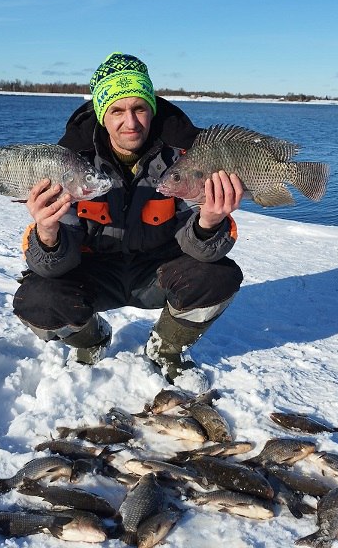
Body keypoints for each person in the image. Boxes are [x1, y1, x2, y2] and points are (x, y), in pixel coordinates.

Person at [12, 52, 244, 386]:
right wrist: (47, 232)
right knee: (37, 299)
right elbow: (52, 267)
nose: (130, 122)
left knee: (217, 277)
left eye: (139, 108)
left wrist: (209, 221)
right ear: (102, 114)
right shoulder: (69, 165)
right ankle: (89, 342)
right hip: (93, 273)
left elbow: (202, 252)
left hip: (158, 271)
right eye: (117, 110)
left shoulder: (186, 160)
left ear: (152, 108)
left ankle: (166, 348)